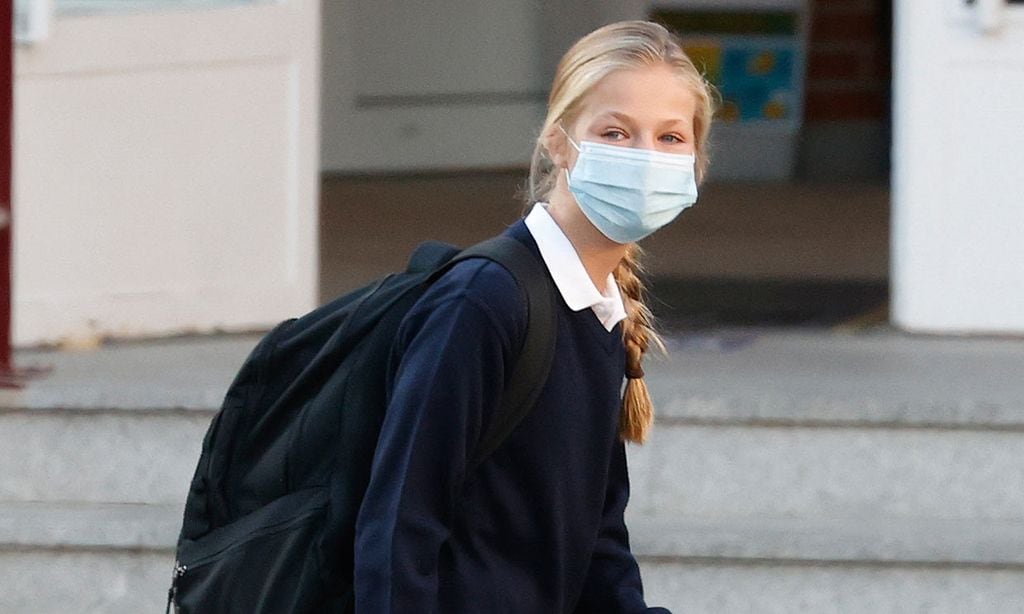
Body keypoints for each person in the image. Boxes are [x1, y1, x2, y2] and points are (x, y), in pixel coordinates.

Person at [353, 20, 715, 613]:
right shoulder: (483, 302)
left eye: (671, 138)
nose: (646, 158)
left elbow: (597, 545)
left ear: (696, 161)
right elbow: (399, 525)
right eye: (617, 132)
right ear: (558, 142)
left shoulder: (599, 312)